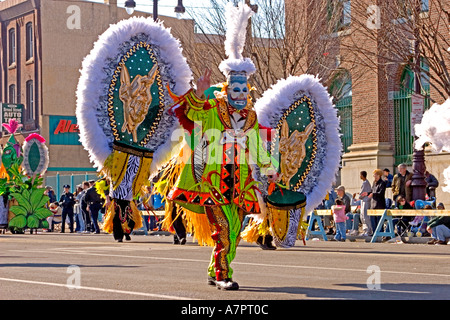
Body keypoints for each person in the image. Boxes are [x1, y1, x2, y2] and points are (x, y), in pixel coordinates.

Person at [353, 171, 373, 236]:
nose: (360, 176)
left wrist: (359, 195)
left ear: (362, 175)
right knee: (362, 216)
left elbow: (363, 192)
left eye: (360, 175)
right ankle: (365, 230)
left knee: (365, 216)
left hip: (366, 200)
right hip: (363, 200)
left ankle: (369, 230)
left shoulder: (365, 183)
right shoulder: (365, 183)